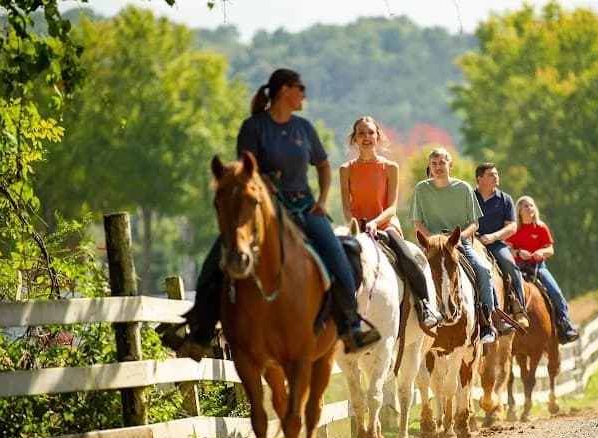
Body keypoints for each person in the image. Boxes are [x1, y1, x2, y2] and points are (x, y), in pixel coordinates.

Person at [163, 68, 380, 358]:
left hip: (304, 207)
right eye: (300, 88)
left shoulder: (304, 128)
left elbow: (324, 165)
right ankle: (199, 332)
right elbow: (246, 174)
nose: (304, 94)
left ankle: (350, 326)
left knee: (340, 255)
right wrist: (266, 184)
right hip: (264, 209)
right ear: (284, 91)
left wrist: (323, 200)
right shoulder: (253, 128)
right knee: (217, 259)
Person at [338, 116, 441, 329]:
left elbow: (392, 207)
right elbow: (347, 207)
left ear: (378, 136)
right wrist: (355, 225)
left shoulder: (390, 167)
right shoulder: (345, 169)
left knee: (407, 258)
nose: (367, 137)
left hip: (385, 225)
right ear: (354, 139)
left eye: (370, 133)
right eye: (361, 133)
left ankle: (425, 305)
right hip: (357, 228)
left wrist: (375, 223)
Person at [410, 147, 501, 344]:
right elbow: (417, 223)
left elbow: (474, 223)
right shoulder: (421, 189)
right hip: (432, 245)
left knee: (484, 271)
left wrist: (459, 238)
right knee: (411, 273)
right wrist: (432, 241)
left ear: (450, 165)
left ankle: (488, 322)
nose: (437, 167)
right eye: (434, 164)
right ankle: (417, 319)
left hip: (457, 242)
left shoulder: (464, 188)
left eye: (442, 163)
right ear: (429, 167)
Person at [506, 195, 579, 343]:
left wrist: (541, 252)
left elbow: (550, 249)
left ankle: (566, 325)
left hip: (538, 267)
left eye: (532, 205)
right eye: (526, 206)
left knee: (556, 292)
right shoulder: (514, 229)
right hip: (518, 268)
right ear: (519, 210)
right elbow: (507, 249)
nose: (530, 208)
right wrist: (519, 253)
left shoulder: (540, 227)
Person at [474, 163, 529, 329]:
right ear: (480, 179)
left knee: (510, 266)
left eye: (496, 174)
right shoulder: (469, 197)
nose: (496, 177)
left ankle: (519, 310)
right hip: (472, 242)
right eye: (491, 174)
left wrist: (493, 237)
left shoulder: (505, 199)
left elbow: (512, 226)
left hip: (496, 244)